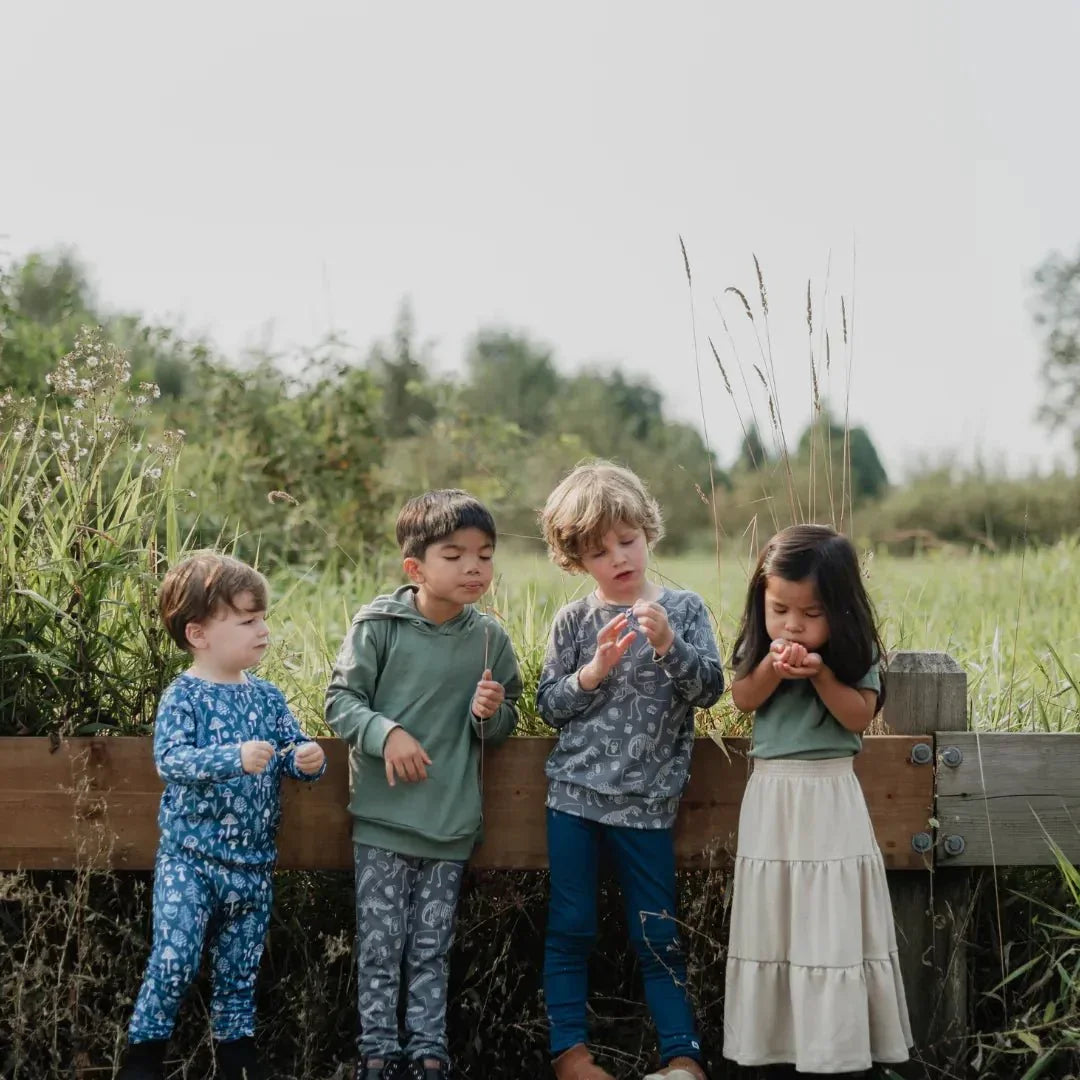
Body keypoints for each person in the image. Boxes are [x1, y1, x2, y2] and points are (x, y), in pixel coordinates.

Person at [325, 490, 522, 1080]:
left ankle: (429, 1054)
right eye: (455, 555)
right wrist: (387, 734)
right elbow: (341, 702)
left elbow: (503, 726)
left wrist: (491, 712)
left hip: (451, 822)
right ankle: (378, 1053)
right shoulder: (379, 627)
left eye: (485, 556)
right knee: (382, 947)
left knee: (432, 949)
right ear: (415, 568)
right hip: (385, 821)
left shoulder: (491, 639)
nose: (473, 568)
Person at [537, 461, 723, 1080]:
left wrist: (670, 644)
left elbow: (709, 691)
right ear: (575, 560)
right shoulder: (573, 621)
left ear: (648, 532)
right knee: (571, 925)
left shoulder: (685, 609)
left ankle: (681, 1057)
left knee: (657, 933)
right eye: (598, 551)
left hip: (648, 802)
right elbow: (548, 705)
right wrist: (592, 672)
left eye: (628, 541)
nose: (619, 557)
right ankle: (570, 1053)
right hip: (574, 798)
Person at [118, 553, 326, 1080]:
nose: (263, 630)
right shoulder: (183, 696)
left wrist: (307, 758)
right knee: (175, 961)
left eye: (263, 618)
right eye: (247, 620)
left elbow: (291, 752)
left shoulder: (267, 697)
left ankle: (237, 1063)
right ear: (198, 633)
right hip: (192, 861)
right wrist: (231, 758)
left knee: (239, 975)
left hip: (252, 869)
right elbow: (171, 760)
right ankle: (142, 1060)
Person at [723, 524, 912, 1074]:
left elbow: (857, 716)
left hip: (830, 795)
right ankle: (775, 1048)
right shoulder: (760, 650)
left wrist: (823, 675)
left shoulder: (857, 657)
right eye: (780, 609)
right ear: (762, 599)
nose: (794, 625)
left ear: (842, 609)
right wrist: (772, 668)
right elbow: (742, 699)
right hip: (773, 795)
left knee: (828, 921)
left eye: (812, 614)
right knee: (775, 918)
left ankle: (836, 1051)